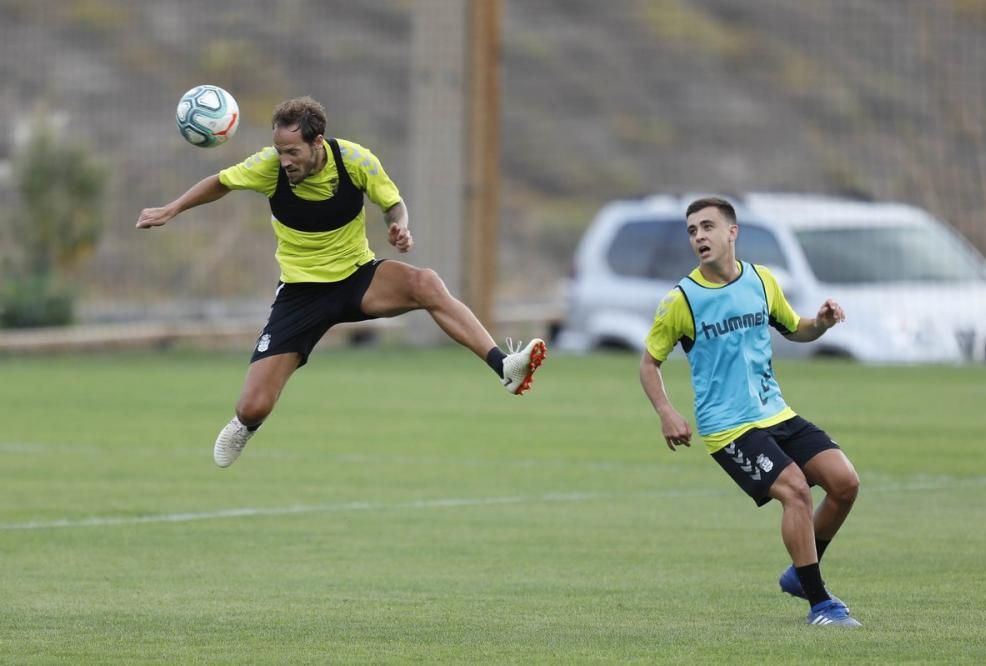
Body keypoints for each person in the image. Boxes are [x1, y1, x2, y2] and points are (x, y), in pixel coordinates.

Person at [137, 96, 546, 468]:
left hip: (357, 279)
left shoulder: (356, 161)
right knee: (253, 406)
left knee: (426, 283)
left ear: (318, 143)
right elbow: (221, 183)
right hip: (300, 295)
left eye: (292, 151)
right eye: (280, 151)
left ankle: (503, 367)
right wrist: (172, 209)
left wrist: (399, 227)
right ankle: (247, 425)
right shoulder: (268, 167)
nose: (284, 161)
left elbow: (393, 204)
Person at [638, 197, 861, 627]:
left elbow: (795, 329)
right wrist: (667, 411)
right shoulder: (681, 299)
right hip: (729, 427)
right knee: (796, 490)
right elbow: (650, 362)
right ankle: (820, 604)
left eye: (707, 226)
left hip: (775, 412)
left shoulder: (761, 280)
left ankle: (801, 574)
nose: (699, 236)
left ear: (732, 232)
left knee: (845, 483)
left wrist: (822, 323)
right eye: (692, 231)